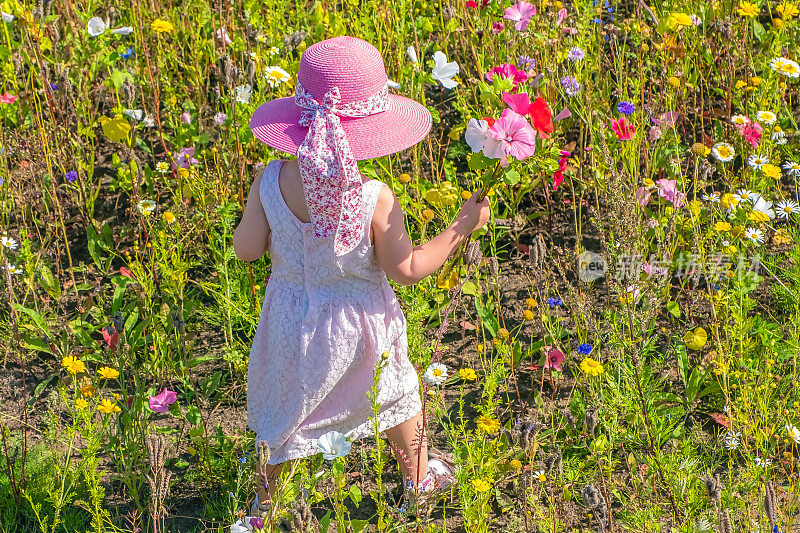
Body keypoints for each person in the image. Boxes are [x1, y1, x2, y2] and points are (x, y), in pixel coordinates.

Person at [233, 35, 490, 516]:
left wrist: (283, 236)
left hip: (289, 325)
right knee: (395, 394)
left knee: (284, 415)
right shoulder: (373, 197)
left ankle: (261, 511)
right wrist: (460, 227)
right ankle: (418, 478)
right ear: (369, 126)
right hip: (361, 328)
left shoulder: (269, 180)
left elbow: (246, 249)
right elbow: (409, 269)